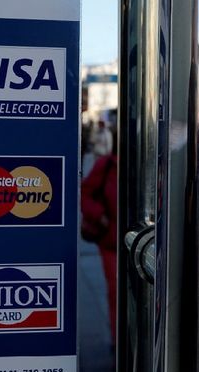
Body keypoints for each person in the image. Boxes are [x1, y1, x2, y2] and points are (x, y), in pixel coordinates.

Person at [81, 129, 118, 347]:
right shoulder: (106, 165)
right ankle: (118, 340)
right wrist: (101, 217)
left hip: (145, 242)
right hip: (111, 241)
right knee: (116, 293)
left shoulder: (152, 166)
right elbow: (84, 194)